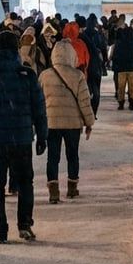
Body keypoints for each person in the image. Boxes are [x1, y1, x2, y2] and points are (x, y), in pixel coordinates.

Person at [0, 31, 47, 244]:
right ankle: (25, 225)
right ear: (16, 49)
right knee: (25, 183)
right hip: (21, 138)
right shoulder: (28, 75)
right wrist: (42, 135)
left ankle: (0, 230)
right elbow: (39, 109)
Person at [37, 40, 93, 205]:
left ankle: (53, 190)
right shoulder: (78, 76)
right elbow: (84, 102)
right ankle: (72, 187)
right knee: (72, 155)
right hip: (72, 124)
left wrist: (37, 122)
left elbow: (39, 101)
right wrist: (89, 122)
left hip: (51, 122)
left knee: (52, 157)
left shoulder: (45, 75)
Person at [110, 26, 133, 111]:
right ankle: (132, 103)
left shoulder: (119, 44)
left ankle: (121, 103)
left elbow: (115, 56)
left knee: (121, 87)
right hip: (131, 68)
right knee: (132, 87)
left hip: (121, 68)